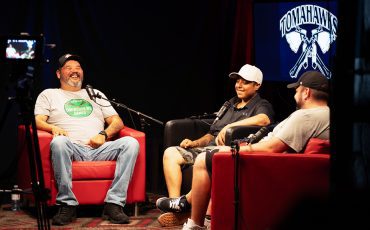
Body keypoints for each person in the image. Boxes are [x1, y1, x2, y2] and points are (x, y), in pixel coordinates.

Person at [172, 70, 330, 229]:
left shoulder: (305, 116)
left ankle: (193, 221)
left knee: (204, 159)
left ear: (306, 93)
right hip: (276, 161)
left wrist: (239, 150)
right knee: (212, 154)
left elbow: (271, 148)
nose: (294, 93)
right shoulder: (324, 114)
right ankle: (189, 205)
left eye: (297, 90)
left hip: (266, 164)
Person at [156, 64, 275, 227]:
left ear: (257, 85)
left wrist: (229, 127)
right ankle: (176, 206)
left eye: (245, 82)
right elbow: (212, 134)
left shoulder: (261, 104)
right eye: (237, 81)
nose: (239, 85)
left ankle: (185, 207)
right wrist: (194, 143)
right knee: (171, 152)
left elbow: (264, 120)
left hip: (224, 152)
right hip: (208, 147)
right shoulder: (229, 104)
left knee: (206, 158)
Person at [34, 54, 139, 226]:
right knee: (59, 142)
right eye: (69, 68)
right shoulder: (49, 94)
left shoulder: (94, 93)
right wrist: (53, 128)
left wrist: (103, 135)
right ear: (58, 74)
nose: (74, 71)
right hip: (71, 147)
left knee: (131, 143)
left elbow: (117, 122)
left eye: (78, 67)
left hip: (98, 148)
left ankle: (114, 204)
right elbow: (38, 120)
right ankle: (67, 204)